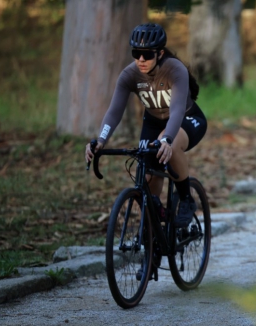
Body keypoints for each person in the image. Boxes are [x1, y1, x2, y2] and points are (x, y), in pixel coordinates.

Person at [84, 23, 207, 229]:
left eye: (147, 54)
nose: (141, 59)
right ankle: (154, 232)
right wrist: (101, 140)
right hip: (152, 122)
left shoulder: (174, 69)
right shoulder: (129, 75)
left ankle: (186, 198)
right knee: (147, 177)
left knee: (168, 142)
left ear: (159, 53)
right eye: (136, 53)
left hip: (186, 118)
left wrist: (167, 139)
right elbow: (114, 111)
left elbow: (176, 109)